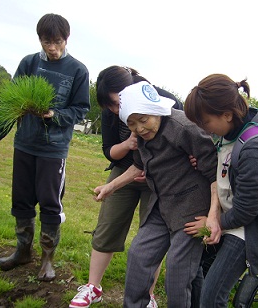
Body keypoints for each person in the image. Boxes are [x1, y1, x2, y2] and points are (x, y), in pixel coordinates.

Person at [0, 13, 90, 282]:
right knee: (22, 200)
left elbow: (80, 110)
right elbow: (11, 104)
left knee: (51, 204)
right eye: (47, 41)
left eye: (58, 42)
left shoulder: (78, 70)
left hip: (53, 150)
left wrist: (54, 115)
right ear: (39, 39)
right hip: (25, 144)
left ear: (67, 39)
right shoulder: (29, 63)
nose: (52, 48)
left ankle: (47, 260)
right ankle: (22, 251)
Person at [94, 81, 219, 307]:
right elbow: (138, 166)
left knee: (178, 271)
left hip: (192, 210)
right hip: (161, 205)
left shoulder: (184, 128)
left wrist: (212, 217)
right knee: (139, 256)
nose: (140, 128)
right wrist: (110, 187)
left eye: (143, 120)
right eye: (132, 124)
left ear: (156, 110)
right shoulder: (141, 135)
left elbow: (215, 175)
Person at [69, 66, 183, 308]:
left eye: (116, 103)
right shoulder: (112, 113)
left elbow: (182, 140)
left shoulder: (163, 101)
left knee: (153, 235)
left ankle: (148, 295)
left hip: (159, 178)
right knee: (108, 225)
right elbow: (109, 151)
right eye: (110, 106)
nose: (115, 110)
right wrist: (128, 144)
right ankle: (93, 287)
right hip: (124, 171)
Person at [183, 74, 258, 307]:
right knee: (193, 268)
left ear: (227, 114)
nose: (201, 128)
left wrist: (214, 223)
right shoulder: (228, 132)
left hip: (248, 228)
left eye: (204, 121)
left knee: (212, 295)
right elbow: (226, 170)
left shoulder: (257, 148)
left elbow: (246, 212)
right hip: (227, 216)